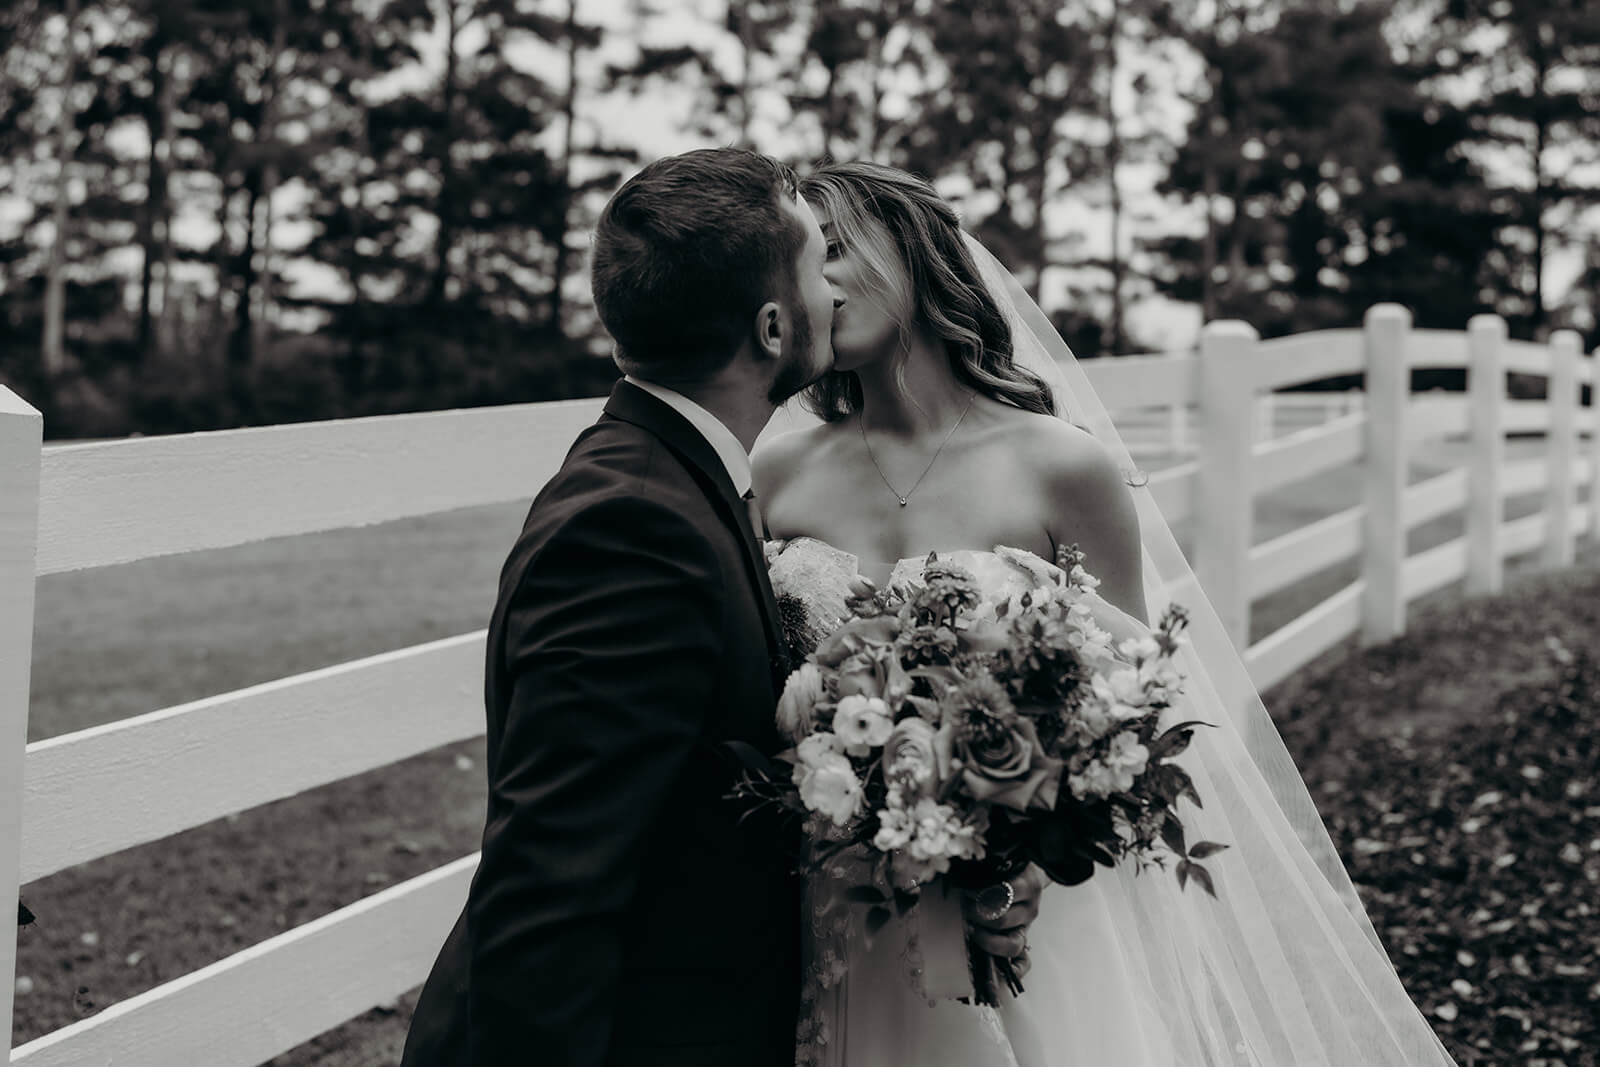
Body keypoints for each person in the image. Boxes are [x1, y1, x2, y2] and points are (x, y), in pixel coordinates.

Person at [753, 161, 1460, 1066]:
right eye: (797, 266)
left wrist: (1021, 864)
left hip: (1037, 917)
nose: (813, 286)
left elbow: (1131, 712)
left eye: (834, 250)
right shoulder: (777, 474)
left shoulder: (1062, 466)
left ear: (916, 252)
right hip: (843, 910)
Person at [400, 147, 1040, 1067]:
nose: (836, 290)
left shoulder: (682, 479)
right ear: (774, 327)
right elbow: (549, 890)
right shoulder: (631, 527)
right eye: (818, 260)